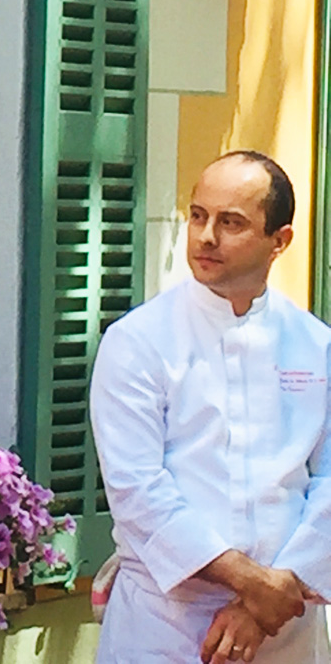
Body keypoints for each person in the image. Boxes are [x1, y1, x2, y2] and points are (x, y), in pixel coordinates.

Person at [90, 151, 331, 663]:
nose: (205, 236)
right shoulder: (137, 341)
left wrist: (270, 596)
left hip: (286, 623)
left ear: (279, 241)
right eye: (198, 216)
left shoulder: (316, 345)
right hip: (166, 619)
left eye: (231, 222)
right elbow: (137, 489)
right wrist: (250, 582)